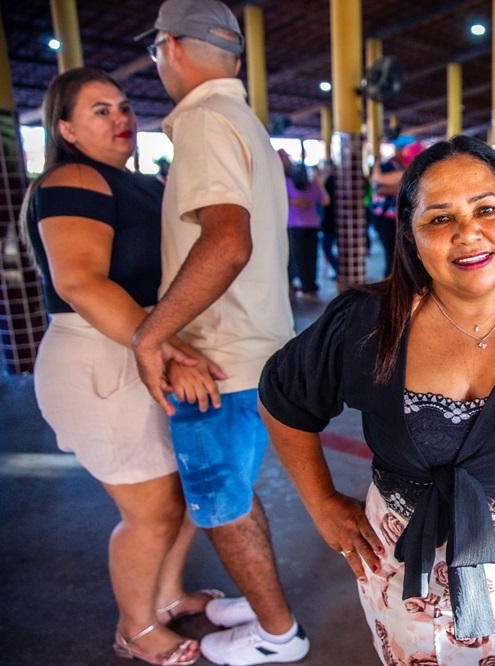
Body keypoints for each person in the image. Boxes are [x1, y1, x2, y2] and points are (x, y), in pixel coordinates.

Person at [259, 135, 495, 665]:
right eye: (439, 219)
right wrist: (321, 502)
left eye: (487, 210)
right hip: (399, 581)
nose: (468, 234)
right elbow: (283, 396)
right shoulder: (367, 323)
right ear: (411, 236)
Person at [25, 67, 227, 666]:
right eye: (99, 111)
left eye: (122, 106)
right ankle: (134, 629)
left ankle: (165, 596)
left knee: (184, 493)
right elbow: (81, 281)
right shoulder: (74, 178)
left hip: (141, 340)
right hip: (100, 355)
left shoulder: (131, 181)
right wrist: (169, 349)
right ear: (64, 128)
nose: (121, 119)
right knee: (151, 512)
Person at [133, 1, 307, 663]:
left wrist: (152, 336)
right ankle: (264, 609)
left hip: (217, 361)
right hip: (251, 353)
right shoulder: (240, 120)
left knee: (221, 505)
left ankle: (276, 633)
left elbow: (227, 243)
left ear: (170, 48)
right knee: (232, 493)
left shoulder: (205, 121)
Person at [279, 151, 329, 296]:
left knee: (299, 256)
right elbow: (325, 200)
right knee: (310, 256)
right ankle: (309, 284)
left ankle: (305, 284)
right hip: (311, 225)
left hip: (296, 225)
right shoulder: (312, 185)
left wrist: (294, 202)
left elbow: (280, 200)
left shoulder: (287, 184)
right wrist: (319, 183)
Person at [370, 136, 416, 277]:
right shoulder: (387, 166)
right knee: (392, 254)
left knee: (404, 254)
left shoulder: (404, 167)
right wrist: (401, 188)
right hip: (385, 217)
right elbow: (379, 189)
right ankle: (390, 289)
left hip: (399, 216)